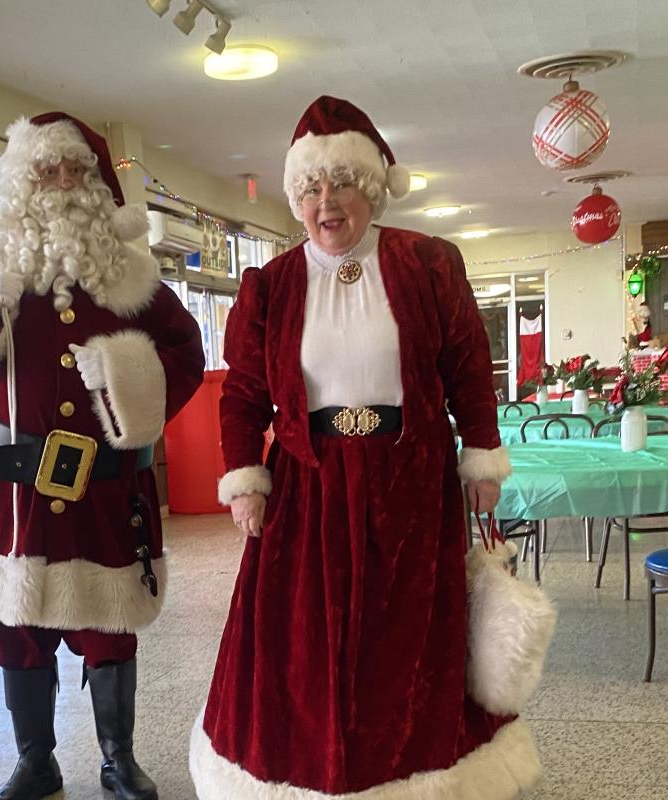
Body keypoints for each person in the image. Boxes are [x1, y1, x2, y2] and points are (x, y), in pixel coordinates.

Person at [189, 96, 540, 798]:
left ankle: (411, 776)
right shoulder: (272, 285)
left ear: (371, 188)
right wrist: (245, 481)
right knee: (304, 645)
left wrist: (482, 454)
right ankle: (309, 773)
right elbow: (245, 392)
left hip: (411, 479)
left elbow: (469, 364)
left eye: (342, 184)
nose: (328, 203)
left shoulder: (427, 263)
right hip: (307, 485)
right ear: (296, 198)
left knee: (404, 640)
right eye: (312, 188)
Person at [0, 112, 204, 800]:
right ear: (21, 181)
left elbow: (186, 353)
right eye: (48, 169)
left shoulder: (131, 274)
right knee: (15, 623)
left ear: (98, 186)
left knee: (109, 622)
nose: (64, 184)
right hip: (9, 493)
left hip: (102, 486)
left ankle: (116, 759)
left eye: (78, 172)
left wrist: (124, 368)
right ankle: (36, 761)